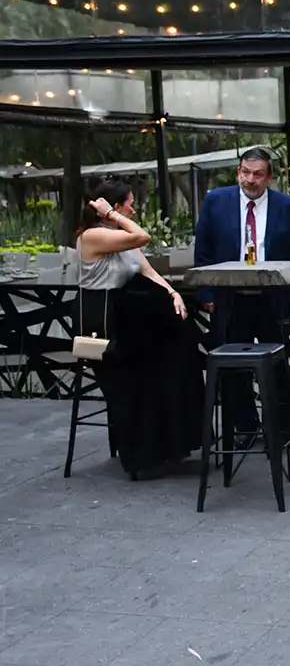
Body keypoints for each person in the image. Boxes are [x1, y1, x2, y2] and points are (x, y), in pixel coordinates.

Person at [75, 179, 203, 478]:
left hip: (130, 317)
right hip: (105, 322)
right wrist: (111, 215)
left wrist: (173, 293)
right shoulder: (93, 235)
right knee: (148, 367)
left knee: (180, 347)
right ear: (114, 208)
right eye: (130, 204)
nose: (134, 209)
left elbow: (147, 269)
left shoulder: (121, 236)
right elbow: (143, 236)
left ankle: (175, 439)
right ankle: (143, 451)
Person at [193, 146, 290, 437]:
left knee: (278, 365)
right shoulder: (216, 201)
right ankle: (244, 427)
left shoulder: (287, 207)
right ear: (238, 172)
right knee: (234, 369)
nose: (250, 180)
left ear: (269, 177)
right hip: (230, 299)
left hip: (274, 298)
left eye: (258, 174)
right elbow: (203, 251)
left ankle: (281, 429)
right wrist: (206, 294)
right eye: (245, 172)